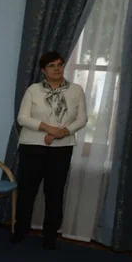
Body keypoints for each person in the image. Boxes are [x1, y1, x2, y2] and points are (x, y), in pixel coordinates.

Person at [12, 51, 88, 249]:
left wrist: (62, 132)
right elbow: (22, 118)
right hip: (32, 146)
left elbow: (82, 118)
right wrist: (48, 128)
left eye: (60, 64)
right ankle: (20, 231)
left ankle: (50, 236)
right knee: (27, 191)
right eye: (52, 65)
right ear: (43, 70)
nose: (57, 68)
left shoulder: (76, 90)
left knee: (54, 192)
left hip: (61, 148)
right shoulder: (33, 90)